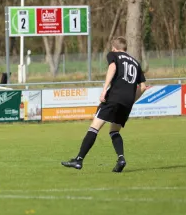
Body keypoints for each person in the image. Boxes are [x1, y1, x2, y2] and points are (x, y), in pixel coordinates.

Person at [61, 37, 147, 173]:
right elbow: (143, 87)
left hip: (113, 97)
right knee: (114, 131)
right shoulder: (136, 63)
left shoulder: (113, 55)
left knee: (94, 128)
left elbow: (112, 67)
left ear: (114, 48)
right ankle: (121, 159)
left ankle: (79, 159)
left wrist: (104, 90)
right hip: (126, 103)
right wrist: (131, 100)